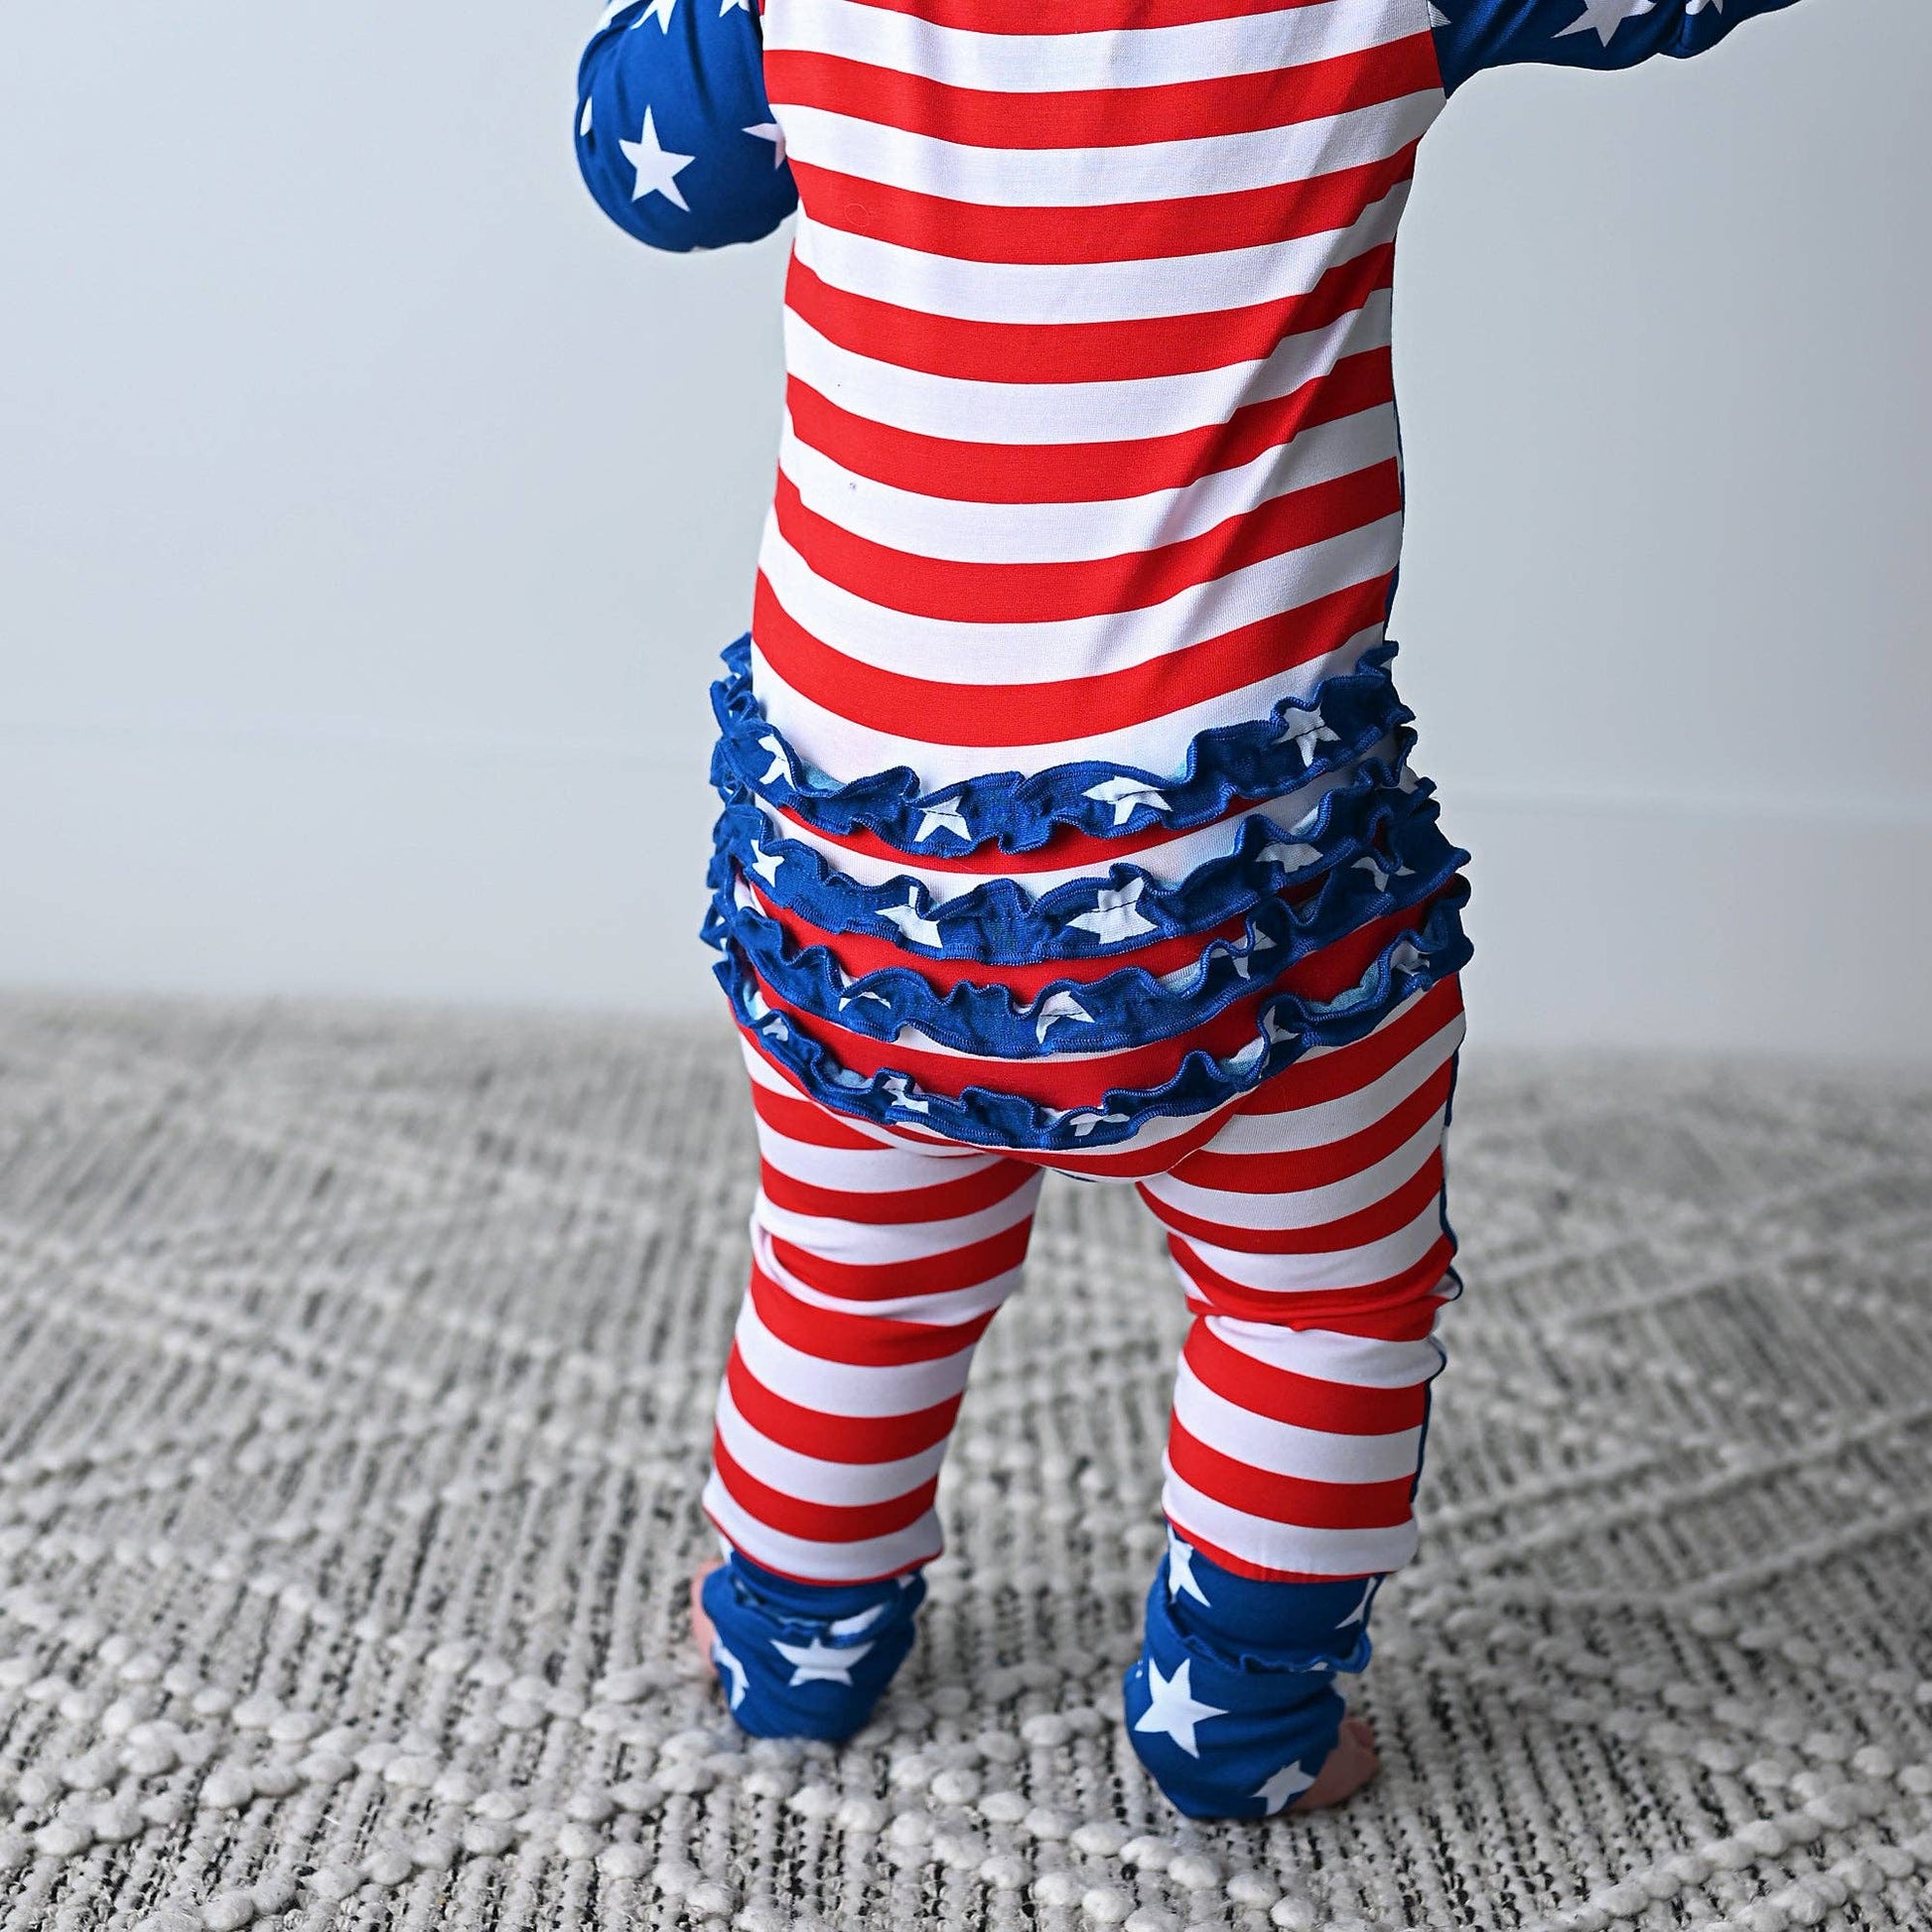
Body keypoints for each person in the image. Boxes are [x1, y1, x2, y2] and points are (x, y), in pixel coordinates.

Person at [572, 0, 1801, 1819]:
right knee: (1319, 1292)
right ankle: (1238, 1714)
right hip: (1241, 893)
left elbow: (638, 171)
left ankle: (788, 1640)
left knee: (855, 1266)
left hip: (870, 895)